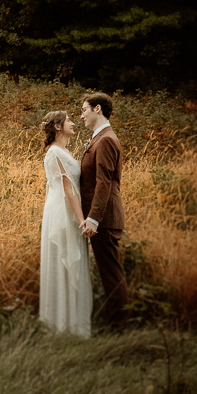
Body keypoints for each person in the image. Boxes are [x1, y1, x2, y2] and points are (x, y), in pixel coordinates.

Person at [39, 110, 93, 337]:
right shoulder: (55, 153)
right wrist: (82, 220)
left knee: (70, 264)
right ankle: (61, 325)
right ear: (58, 126)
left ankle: (72, 322)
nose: (74, 123)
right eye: (69, 120)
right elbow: (69, 189)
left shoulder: (64, 151)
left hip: (67, 209)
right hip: (62, 212)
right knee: (62, 262)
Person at [79, 92, 129, 329]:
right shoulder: (99, 137)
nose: (82, 115)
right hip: (102, 218)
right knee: (109, 273)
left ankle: (120, 327)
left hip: (105, 218)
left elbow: (104, 182)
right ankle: (116, 322)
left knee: (112, 275)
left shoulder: (106, 139)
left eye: (84, 110)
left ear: (97, 108)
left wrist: (93, 218)